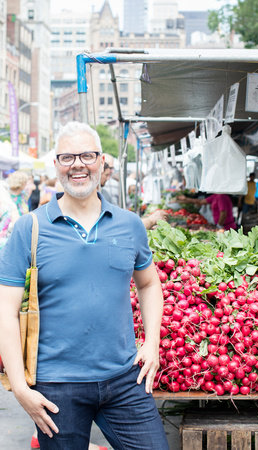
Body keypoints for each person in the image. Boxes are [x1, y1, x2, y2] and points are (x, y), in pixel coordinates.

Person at [0, 121, 168, 450]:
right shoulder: (28, 229)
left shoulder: (130, 224)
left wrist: (152, 343)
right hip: (56, 385)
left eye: (87, 155)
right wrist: (19, 387)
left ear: (102, 161)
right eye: (67, 157)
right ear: (57, 165)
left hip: (124, 378)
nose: (78, 164)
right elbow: (5, 310)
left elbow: (148, 285)